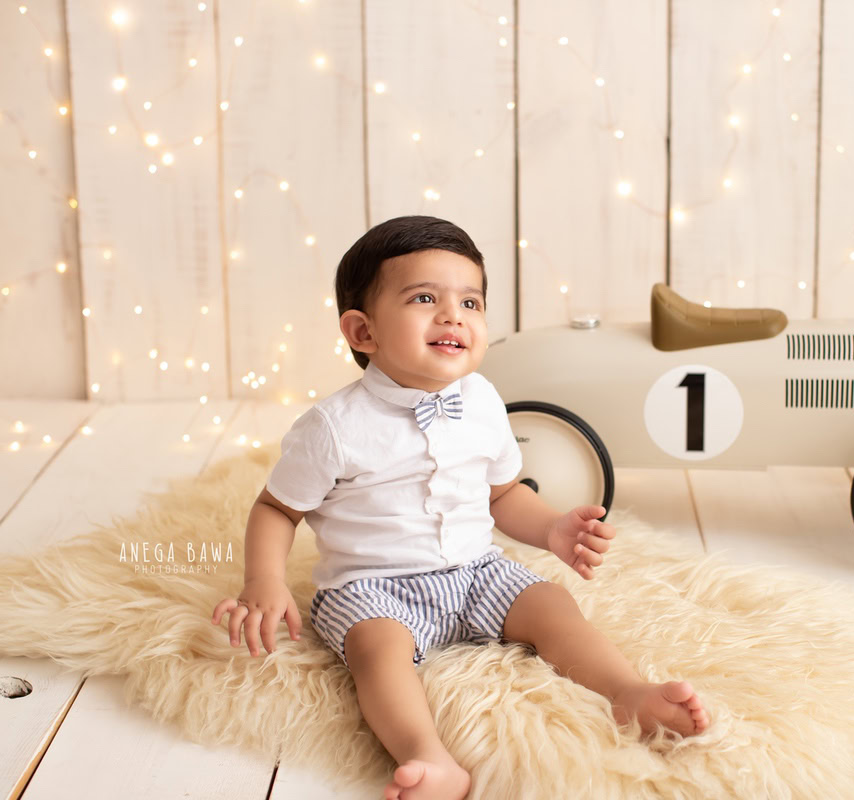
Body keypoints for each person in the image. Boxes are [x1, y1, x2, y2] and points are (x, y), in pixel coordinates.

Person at [212, 215, 709, 800]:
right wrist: (263, 580)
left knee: (551, 604)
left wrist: (551, 528)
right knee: (377, 653)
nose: (453, 316)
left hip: (475, 571)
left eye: (470, 302)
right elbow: (276, 509)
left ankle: (626, 692)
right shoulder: (334, 426)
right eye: (425, 298)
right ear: (363, 331)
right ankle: (428, 756)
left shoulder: (482, 401)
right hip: (374, 587)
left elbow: (502, 493)